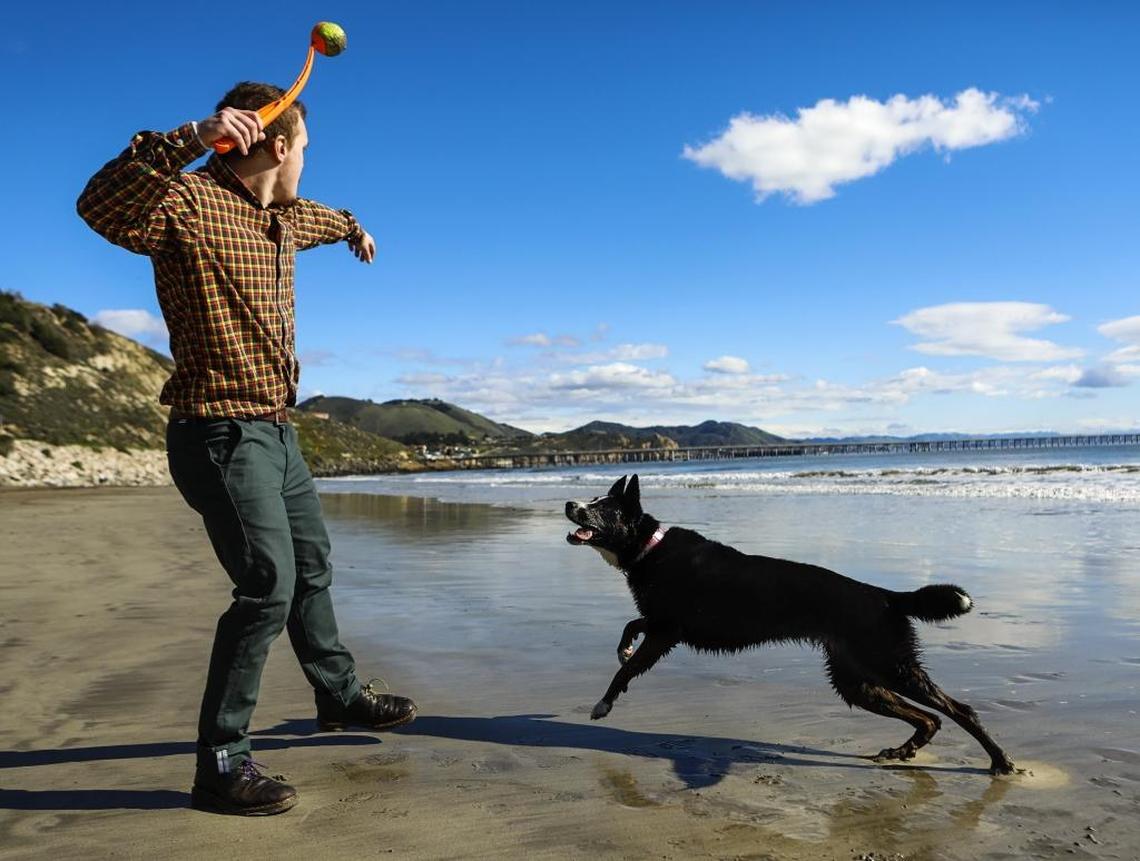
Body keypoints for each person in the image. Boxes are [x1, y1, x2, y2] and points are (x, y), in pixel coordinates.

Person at [77, 82, 417, 816]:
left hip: (277, 431)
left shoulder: (286, 218)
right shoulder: (187, 204)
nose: (308, 165)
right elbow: (99, 204)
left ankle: (339, 696)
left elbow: (319, 217)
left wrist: (354, 224)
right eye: (307, 150)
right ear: (282, 144)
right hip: (218, 431)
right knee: (267, 583)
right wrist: (191, 135)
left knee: (312, 565)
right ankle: (222, 760)